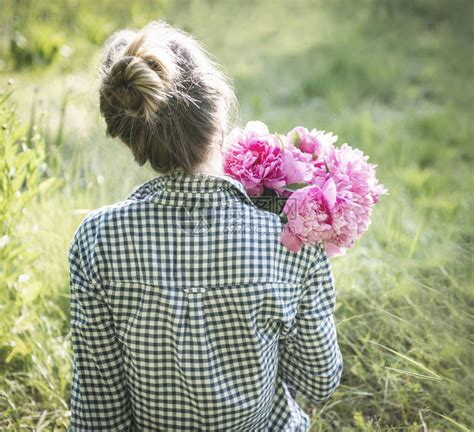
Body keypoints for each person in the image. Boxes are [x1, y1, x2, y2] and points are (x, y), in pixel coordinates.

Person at [68, 20, 343, 432]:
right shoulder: (289, 237)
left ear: (131, 135)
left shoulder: (97, 240)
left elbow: (99, 409)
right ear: (218, 105)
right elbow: (319, 380)